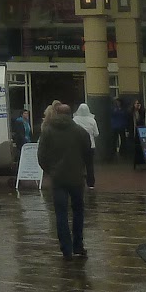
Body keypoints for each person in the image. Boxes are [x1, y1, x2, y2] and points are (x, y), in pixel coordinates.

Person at [37, 105, 95, 259]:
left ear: (56, 113)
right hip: (76, 178)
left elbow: (41, 156)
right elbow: (88, 156)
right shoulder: (80, 132)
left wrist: (51, 171)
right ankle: (78, 245)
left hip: (58, 180)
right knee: (78, 212)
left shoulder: (47, 131)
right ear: (70, 114)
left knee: (61, 214)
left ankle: (66, 249)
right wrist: (89, 176)